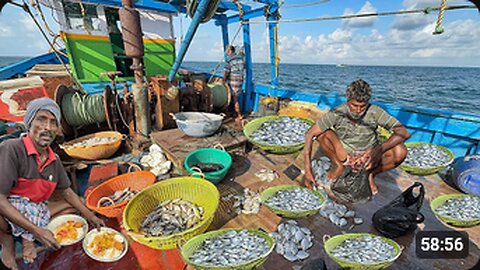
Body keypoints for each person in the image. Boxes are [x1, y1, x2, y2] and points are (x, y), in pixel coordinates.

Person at [0, 98, 104, 269]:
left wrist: (91, 216)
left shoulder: (53, 160)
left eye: (53, 122)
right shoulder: (12, 148)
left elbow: (67, 192)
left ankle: (29, 233)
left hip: (34, 209)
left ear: (57, 129)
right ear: (29, 122)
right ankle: (7, 241)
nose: (47, 127)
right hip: (6, 213)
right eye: (41, 119)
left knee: (78, 206)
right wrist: (37, 231)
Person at [304, 79, 410, 195]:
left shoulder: (375, 112)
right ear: (348, 100)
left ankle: (370, 174)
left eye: (362, 107)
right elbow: (310, 134)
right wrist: (308, 171)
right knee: (322, 133)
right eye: (354, 106)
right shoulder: (338, 112)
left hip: (368, 154)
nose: (358, 111)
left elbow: (403, 132)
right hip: (345, 153)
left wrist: (378, 149)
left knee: (400, 151)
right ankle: (339, 165)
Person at [223, 44, 244, 125]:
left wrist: (223, 80)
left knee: (233, 97)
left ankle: (239, 115)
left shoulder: (229, 60)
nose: (227, 53)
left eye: (227, 51)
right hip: (241, 79)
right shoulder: (241, 58)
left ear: (230, 51)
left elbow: (226, 72)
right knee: (235, 95)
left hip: (234, 79)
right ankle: (233, 112)